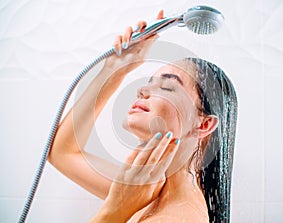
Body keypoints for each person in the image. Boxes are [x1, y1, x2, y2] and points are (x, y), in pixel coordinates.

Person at [48, 10, 238, 223]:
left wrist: (115, 211)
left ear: (203, 124)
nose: (142, 91)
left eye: (167, 86)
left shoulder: (178, 218)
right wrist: (114, 70)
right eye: (149, 82)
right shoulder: (147, 191)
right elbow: (62, 153)